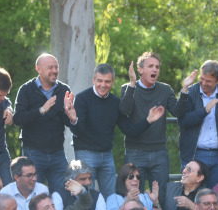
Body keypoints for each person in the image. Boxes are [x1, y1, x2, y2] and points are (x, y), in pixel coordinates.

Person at [64, 63, 165, 200]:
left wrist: (148, 120)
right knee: (85, 195)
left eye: (107, 81)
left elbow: (129, 130)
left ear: (112, 82)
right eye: (99, 81)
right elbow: (78, 131)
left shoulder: (115, 102)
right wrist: (74, 120)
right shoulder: (82, 98)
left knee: (112, 197)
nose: (102, 85)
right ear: (94, 80)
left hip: (106, 155)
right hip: (86, 153)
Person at [119, 52, 198, 205]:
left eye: (157, 67)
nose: (154, 69)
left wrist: (185, 88)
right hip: (135, 153)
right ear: (140, 70)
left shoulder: (165, 89)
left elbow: (177, 112)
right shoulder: (128, 88)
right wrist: (132, 84)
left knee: (161, 197)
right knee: (134, 196)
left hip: (159, 153)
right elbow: (125, 110)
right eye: (150, 66)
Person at [13, 53, 71, 193]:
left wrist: (71, 116)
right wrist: (41, 110)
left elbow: (67, 122)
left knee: (62, 194)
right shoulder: (26, 90)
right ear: (38, 69)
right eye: (50, 67)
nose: (54, 70)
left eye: (56, 67)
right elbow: (18, 119)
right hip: (33, 154)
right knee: (33, 195)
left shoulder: (63, 90)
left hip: (58, 154)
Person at [178, 60, 218, 189]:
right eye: (202, 78)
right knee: (192, 195)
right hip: (194, 154)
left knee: (217, 198)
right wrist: (205, 111)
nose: (203, 83)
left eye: (208, 81)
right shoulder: (190, 91)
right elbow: (183, 121)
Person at [0, 67, 14, 190]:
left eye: (5, 95)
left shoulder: (3, 100)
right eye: (0, 95)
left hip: (3, 153)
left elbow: (7, 102)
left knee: (9, 190)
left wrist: (9, 109)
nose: (2, 98)